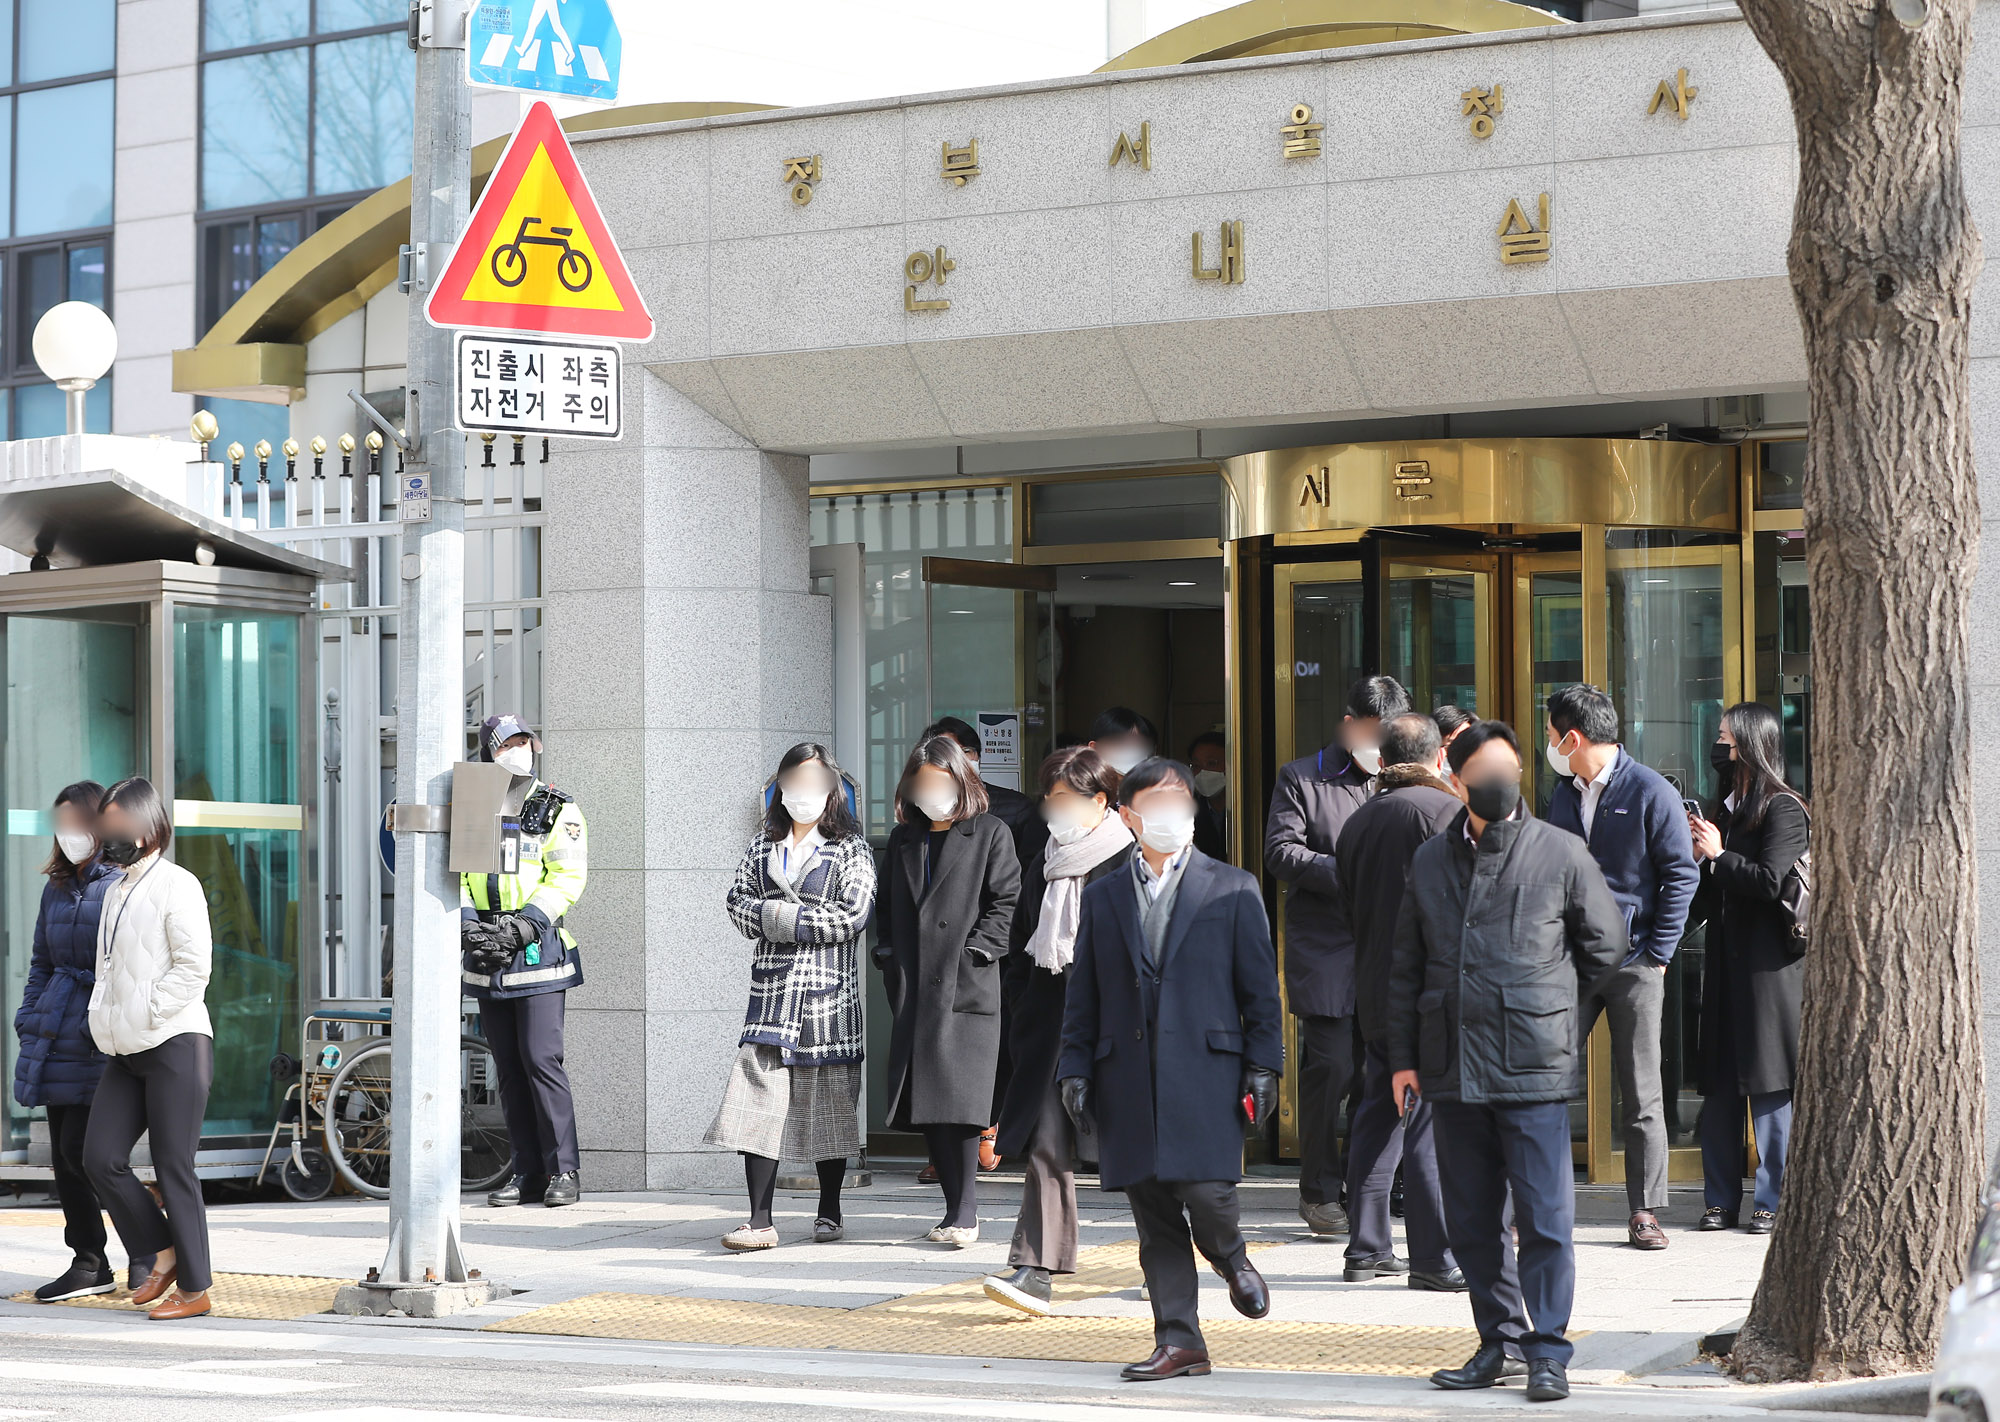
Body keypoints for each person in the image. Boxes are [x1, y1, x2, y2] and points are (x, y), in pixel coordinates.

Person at [1387, 721, 1626, 1403]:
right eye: (1484, 773)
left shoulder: (1561, 851)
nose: (1499, 784)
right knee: (1471, 1217)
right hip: (1452, 1064)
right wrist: (1403, 1057)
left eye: (1508, 771)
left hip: (1532, 1064)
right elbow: (1405, 966)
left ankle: (1548, 1350)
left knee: (1545, 1216)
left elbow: (1606, 947)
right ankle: (1499, 1339)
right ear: (1455, 780)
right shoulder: (1432, 859)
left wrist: (1553, 1004)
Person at [1058, 757, 1284, 1382]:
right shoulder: (1103, 894)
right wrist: (1074, 1066)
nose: (1169, 814)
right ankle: (1180, 1340)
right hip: (1125, 1073)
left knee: (1208, 1191)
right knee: (1154, 1213)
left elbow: (1261, 992)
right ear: (1128, 816)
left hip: (1208, 1071)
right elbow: (1086, 993)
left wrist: (1265, 1065)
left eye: (1179, 802)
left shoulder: (1233, 887)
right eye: (1154, 804)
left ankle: (1232, 1255)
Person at [1544, 685, 1699, 1251]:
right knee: (1545, 1081)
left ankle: (1644, 1210)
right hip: (1572, 962)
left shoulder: (1650, 791)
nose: (1549, 744)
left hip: (1636, 963)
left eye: (1551, 733)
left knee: (1641, 1091)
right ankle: (1541, 1201)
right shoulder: (1563, 792)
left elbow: (1681, 875)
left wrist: (1658, 954)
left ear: (1573, 737)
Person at [707, 744, 876, 1250]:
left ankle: (829, 1210)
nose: (802, 794)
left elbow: (853, 916)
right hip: (771, 996)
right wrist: (795, 917)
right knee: (756, 1102)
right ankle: (759, 1220)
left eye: (813, 783)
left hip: (829, 999)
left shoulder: (851, 847)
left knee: (829, 1106)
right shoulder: (763, 844)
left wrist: (778, 916)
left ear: (831, 789)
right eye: (793, 782)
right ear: (779, 786)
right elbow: (737, 905)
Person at [983, 746, 1133, 1315]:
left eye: (1066, 798)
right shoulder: (1042, 860)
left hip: (1118, 1027)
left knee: (1137, 1152)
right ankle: (1035, 1267)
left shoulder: (1129, 859)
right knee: (1048, 1144)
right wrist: (1023, 1006)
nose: (1055, 809)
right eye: (1051, 797)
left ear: (1100, 801)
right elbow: (1024, 943)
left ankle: (1165, 1252)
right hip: (1051, 1026)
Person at [1263, 673, 1410, 1236]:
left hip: (1389, 946)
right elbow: (1281, 851)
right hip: (1326, 944)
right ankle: (1319, 1189)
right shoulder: (1304, 776)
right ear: (1349, 725)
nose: (1380, 744)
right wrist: (1351, 874)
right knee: (1332, 1067)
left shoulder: (1405, 780)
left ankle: (1371, 1185)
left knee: (1381, 1072)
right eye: (1374, 732)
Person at [1330, 715, 1463, 1291]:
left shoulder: (1358, 821)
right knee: (1428, 1122)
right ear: (1439, 759)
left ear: (1381, 759)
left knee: (1377, 1116)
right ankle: (1432, 1257)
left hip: (1374, 986)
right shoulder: (1444, 813)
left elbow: (1348, 907)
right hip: (1429, 991)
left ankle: (1365, 1248)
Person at [875, 734, 1021, 1246]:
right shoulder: (904, 839)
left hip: (967, 985)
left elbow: (1006, 903)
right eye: (922, 783)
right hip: (917, 987)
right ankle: (951, 1211)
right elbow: (887, 910)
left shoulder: (990, 832)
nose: (930, 791)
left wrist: (978, 953)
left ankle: (966, 1212)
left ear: (961, 781)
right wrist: (888, 959)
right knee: (929, 1102)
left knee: (962, 1105)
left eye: (939, 781)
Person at [81, 777, 216, 1322]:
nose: (105, 836)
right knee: (100, 1158)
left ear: (144, 825)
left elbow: (194, 968)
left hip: (176, 1042)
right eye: (102, 826)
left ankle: (196, 1288)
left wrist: (149, 1011)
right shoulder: (114, 888)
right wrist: (105, 1018)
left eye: (114, 826)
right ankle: (162, 1251)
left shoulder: (176, 884)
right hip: (126, 1047)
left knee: (173, 1165)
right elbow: (109, 970)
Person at [13, 782, 150, 1302]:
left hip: (102, 1031)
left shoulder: (120, 884)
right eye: (61, 824)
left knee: (92, 1153)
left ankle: (145, 1252)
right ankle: (89, 1260)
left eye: (77, 823)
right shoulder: (57, 887)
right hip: (54, 1032)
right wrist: (28, 1017)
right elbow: (41, 963)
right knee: (65, 1157)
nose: (68, 834)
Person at [1688, 702, 1809, 1236]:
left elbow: (1767, 881)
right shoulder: (1724, 808)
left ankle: (1771, 1198)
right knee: (1718, 1084)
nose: (1719, 747)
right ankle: (1719, 1199)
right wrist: (1698, 861)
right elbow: (1711, 896)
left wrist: (1718, 856)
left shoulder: (1784, 808)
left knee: (1768, 1083)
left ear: (1751, 744)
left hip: (1769, 968)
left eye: (1726, 738)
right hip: (1724, 965)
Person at [462, 714, 588, 1210]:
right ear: (489, 754)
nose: (518, 750)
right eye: (507, 744)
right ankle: (527, 1170)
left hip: (535, 947)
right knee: (509, 1069)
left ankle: (564, 1170)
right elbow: (457, 873)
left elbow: (567, 876)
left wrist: (526, 923)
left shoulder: (556, 806)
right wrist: (471, 923)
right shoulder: (474, 805)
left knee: (541, 1060)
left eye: (523, 741)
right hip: (485, 948)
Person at [923, 714, 1047, 1171]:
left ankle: (989, 1127)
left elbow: (1024, 885)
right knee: (939, 1047)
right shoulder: (919, 819)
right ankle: (944, 1144)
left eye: (959, 753)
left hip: (994, 949)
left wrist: (988, 944)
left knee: (993, 1045)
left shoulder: (1012, 810)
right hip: (934, 953)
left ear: (975, 758)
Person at [1187, 731, 1229, 861]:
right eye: (1196, 766)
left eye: (1211, 763)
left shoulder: (1251, 811)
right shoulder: (1188, 813)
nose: (1202, 772)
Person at [1086, 706, 1158, 777]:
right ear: (1094, 749)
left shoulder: (1153, 787)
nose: (1130, 753)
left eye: (1139, 746)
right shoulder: (1080, 786)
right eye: (1121, 744)